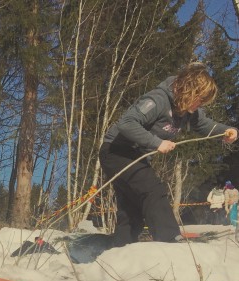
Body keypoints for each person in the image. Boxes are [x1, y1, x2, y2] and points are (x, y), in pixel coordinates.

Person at [99, 63, 238, 246]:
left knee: (132, 208)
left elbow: (204, 125)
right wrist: (156, 143)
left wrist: (227, 130)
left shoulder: (187, 111)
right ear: (188, 89)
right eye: (199, 99)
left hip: (135, 157)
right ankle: (170, 240)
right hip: (117, 151)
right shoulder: (158, 100)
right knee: (152, 190)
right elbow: (127, 123)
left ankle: (122, 247)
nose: (199, 105)